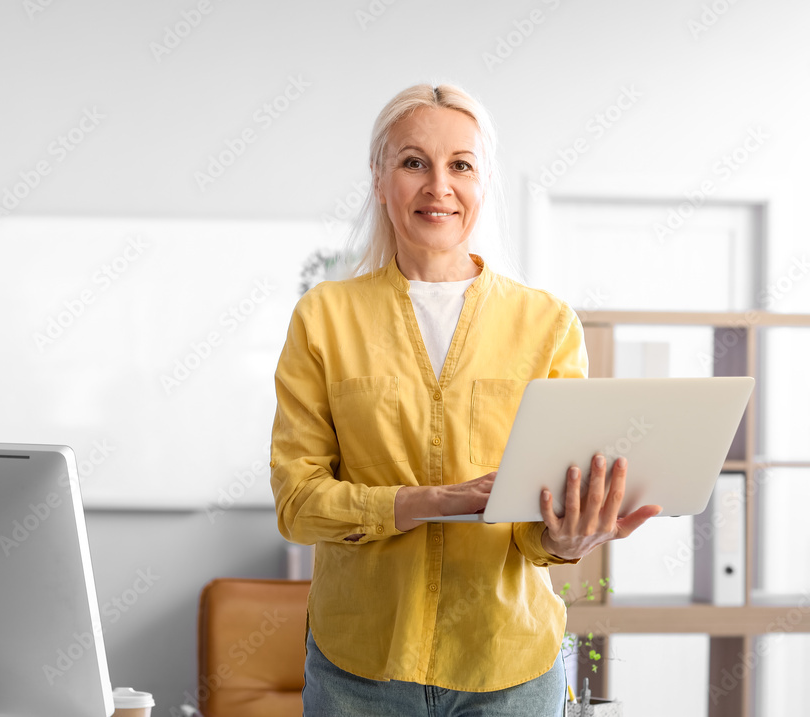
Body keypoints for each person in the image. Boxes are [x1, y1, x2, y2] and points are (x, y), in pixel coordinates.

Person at [269, 82, 661, 716]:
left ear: (483, 183)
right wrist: (429, 502)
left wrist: (568, 539)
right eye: (413, 162)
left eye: (461, 165)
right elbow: (298, 503)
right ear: (379, 179)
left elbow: (541, 529)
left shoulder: (547, 324)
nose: (438, 187)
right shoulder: (323, 318)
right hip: (359, 670)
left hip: (508, 666)